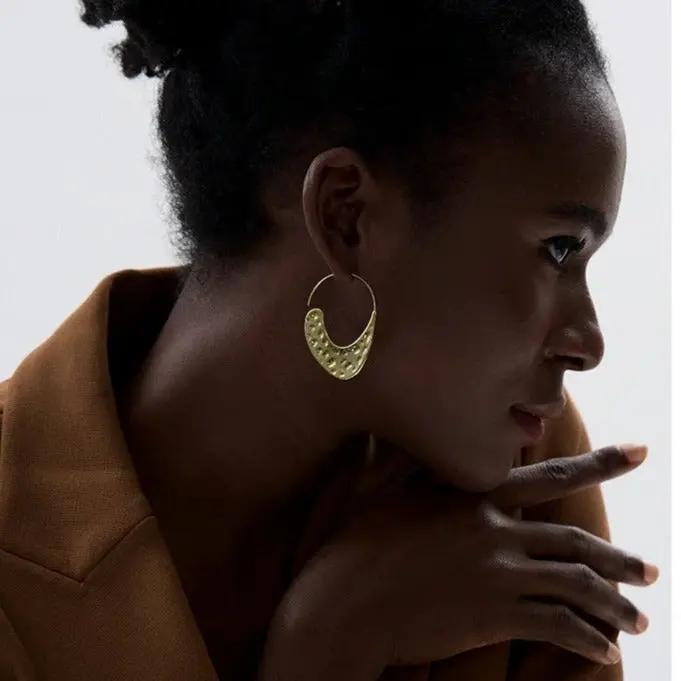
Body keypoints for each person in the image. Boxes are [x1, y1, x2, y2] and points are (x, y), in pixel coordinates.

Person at [0, 0, 660, 679]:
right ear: (346, 214)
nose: (588, 344)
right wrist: (329, 648)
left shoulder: (518, 472)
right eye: (559, 248)